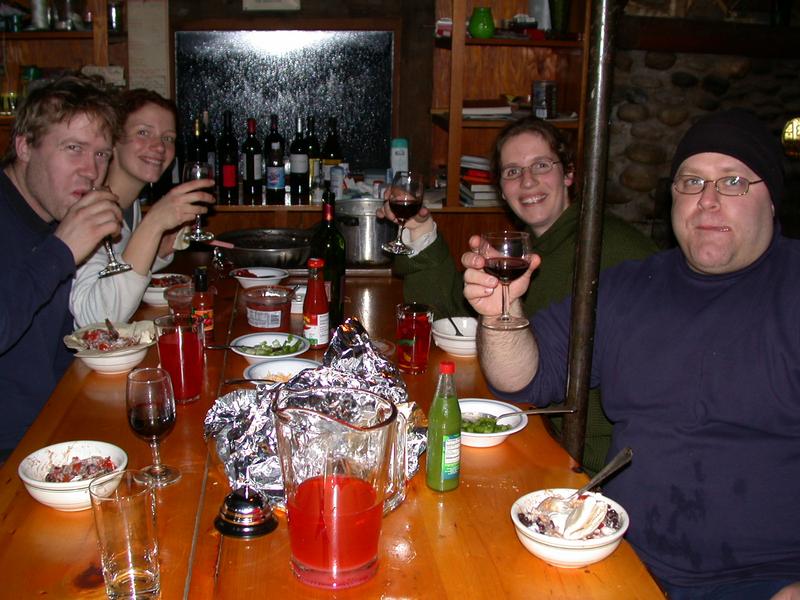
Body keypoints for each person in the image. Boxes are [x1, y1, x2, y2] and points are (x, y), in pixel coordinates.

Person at [463, 108, 800, 597]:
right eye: (691, 182)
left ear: (772, 201)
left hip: (762, 582)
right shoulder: (630, 286)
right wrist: (502, 314)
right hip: (611, 558)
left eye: (732, 182)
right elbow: (519, 378)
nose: (707, 201)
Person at [378, 116, 657, 474]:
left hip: (593, 461)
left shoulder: (607, 248)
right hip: (541, 428)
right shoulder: (528, 246)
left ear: (569, 174)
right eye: (512, 171)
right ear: (502, 188)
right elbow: (453, 312)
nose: (527, 181)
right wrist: (420, 229)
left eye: (541, 165)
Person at [0, 74, 121, 458]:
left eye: (101, 154)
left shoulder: (55, 214)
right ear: (24, 146)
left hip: (59, 429)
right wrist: (62, 250)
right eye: (74, 148)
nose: (91, 170)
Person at [70, 88, 213, 327]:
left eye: (168, 138)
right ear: (113, 140)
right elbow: (96, 320)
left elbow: (120, 274)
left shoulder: (130, 204)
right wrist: (154, 223)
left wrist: (159, 251)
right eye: (143, 132)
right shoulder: (88, 206)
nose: (159, 146)